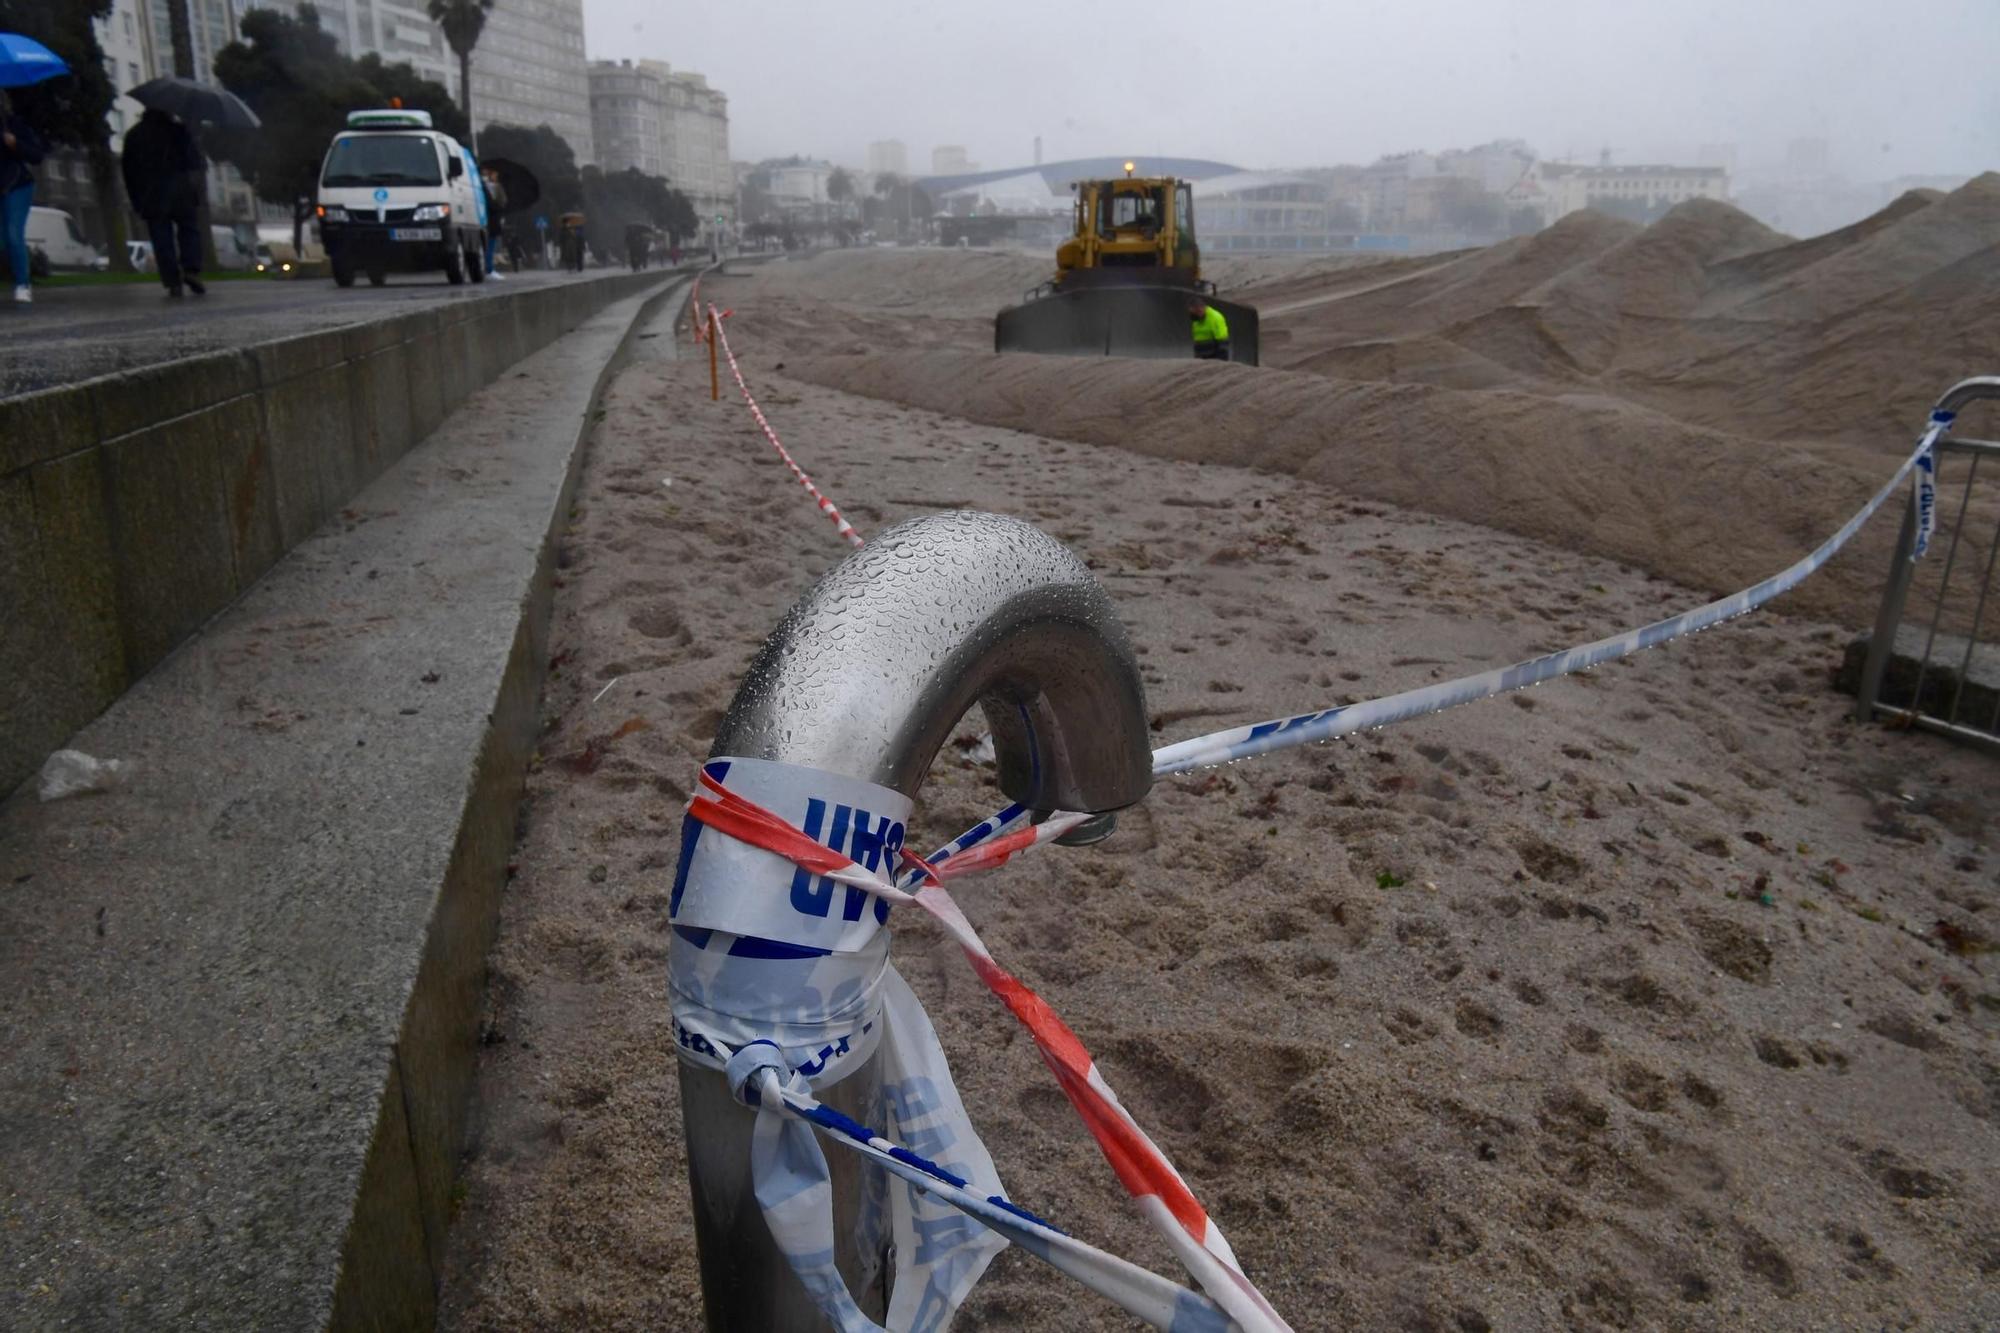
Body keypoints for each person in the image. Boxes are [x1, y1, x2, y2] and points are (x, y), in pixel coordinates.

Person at [121, 107, 207, 297]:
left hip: (151, 194)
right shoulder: (179, 131)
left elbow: (128, 171)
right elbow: (194, 162)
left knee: (161, 238)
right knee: (189, 230)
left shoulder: (134, 135)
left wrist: (136, 200)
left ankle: (172, 280)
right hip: (181, 191)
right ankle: (191, 270)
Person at [0, 91, 45, 305]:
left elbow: (36, 154)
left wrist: (15, 143)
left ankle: (22, 284)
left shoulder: (12, 125)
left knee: (12, 232)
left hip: (17, 185)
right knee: (3, 238)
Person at [480, 166, 507, 279]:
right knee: (489, 246)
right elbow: (494, 204)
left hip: (492, 220)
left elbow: (503, 201)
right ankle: (489, 269)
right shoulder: (484, 187)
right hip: (489, 221)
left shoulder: (496, 187)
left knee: (490, 246)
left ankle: (489, 269)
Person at [1188, 296, 1230, 360]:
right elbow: (1198, 339)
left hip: (1214, 356)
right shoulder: (1197, 319)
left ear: (1200, 309)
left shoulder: (1215, 318)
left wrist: (1220, 362)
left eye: (1193, 312)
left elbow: (1222, 343)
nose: (1192, 315)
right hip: (1201, 355)